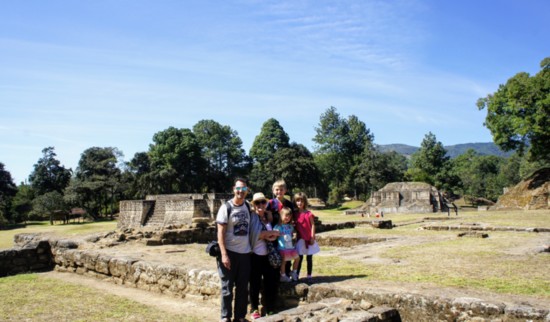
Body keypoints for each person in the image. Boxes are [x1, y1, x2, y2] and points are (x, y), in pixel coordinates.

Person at [216, 177, 253, 322]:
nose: (241, 192)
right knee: (227, 288)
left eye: (243, 189)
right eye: (238, 188)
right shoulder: (226, 207)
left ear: (247, 191)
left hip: (245, 253)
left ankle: (240, 316)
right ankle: (226, 316)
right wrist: (224, 254)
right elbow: (220, 232)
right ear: (233, 189)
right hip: (229, 252)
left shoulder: (248, 207)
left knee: (243, 288)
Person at [249, 192, 280, 319]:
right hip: (255, 255)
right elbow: (257, 235)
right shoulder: (252, 217)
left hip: (268, 256)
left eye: (263, 202)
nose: (260, 205)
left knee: (270, 283)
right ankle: (254, 308)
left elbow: (272, 236)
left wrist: (269, 233)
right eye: (257, 202)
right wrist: (271, 233)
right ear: (254, 205)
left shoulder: (267, 218)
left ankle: (270, 308)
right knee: (254, 283)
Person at [294, 192, 320, 283]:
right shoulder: (295, 214)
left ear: (304, 202)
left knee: (309, 258)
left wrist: (312, 237)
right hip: (300, 239)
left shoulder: (308, 213)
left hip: (309, 239)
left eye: (301, 201)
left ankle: (309, 275)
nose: (299, 203)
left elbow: (313, 225)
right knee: (299, 258)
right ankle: (296, 274)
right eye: (297, 201)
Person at [273, 207, 300, 282]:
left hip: (291, 247)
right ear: (281, 215)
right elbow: (274, 236)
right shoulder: (278, 226)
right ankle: (283, 276)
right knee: (283, 262)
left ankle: (293, 272)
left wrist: (294, 235)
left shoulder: (290, 226)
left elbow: (293, 233)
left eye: (289, 216)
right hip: (282, 248)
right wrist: (277, 233)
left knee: (297, 259)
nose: (288, 217)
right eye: (286, 215)